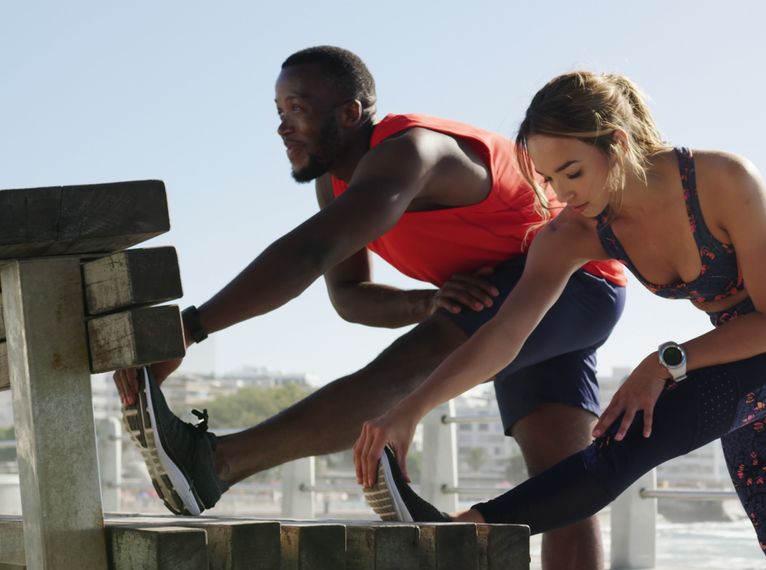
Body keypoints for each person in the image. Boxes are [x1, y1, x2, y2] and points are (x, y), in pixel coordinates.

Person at [115, 46, 625, 570]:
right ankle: (214, 465)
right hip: (518, 295)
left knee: (425, 352)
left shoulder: (413, 152)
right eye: (278, 112)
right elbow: (350, 297)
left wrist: (190, 328)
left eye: (297, 109)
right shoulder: (332, 183)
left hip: (579, 280)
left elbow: (310, 253)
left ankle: (217, 464)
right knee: (561, 484)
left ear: (350, 114)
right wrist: (428, 301)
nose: (283, 128)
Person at [356, 70, 766, 569]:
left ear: (617, 142)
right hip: (728, 353)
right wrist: (411, 408)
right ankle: (456, 532)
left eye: (572, 172)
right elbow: (503, 334)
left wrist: (662, 364)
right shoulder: (574, 232)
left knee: (626, 442)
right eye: (548, 180)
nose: (562, 194)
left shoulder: (721, 179)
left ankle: (458, 533)